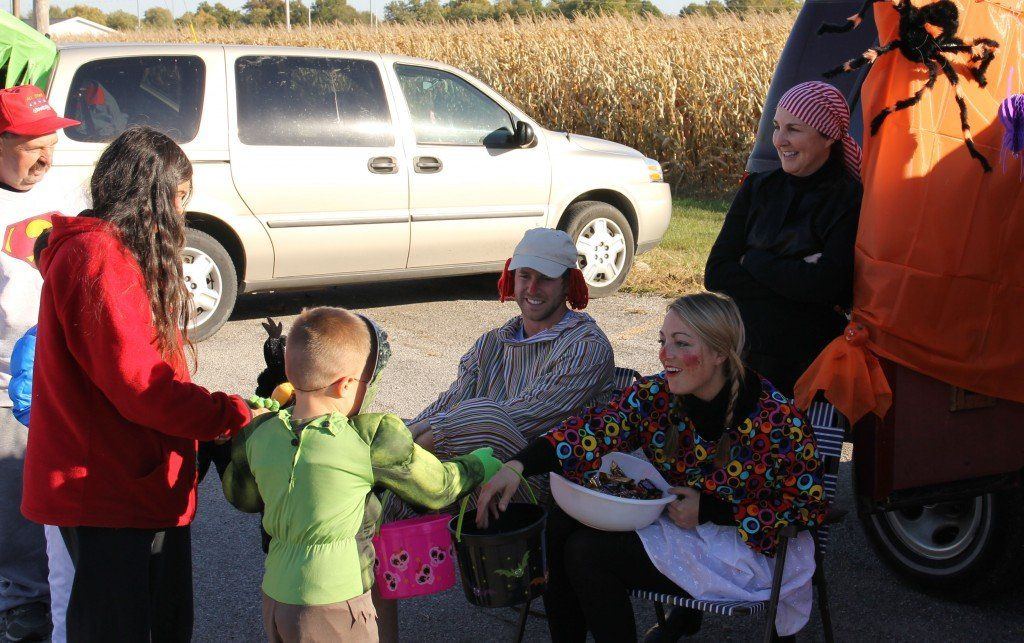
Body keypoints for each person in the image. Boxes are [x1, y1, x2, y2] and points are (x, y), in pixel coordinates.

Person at [477, 292, 829, 643]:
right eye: (663, 341)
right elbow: (593, 428)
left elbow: (806, 509)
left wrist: (711, 510)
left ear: (720, 353)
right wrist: (517, 465)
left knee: (588, 553)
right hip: (682, 529)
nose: (665, 355)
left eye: (680, 343)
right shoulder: (659, 395)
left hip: (749, 548)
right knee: (560, 525)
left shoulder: (776, 421)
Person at [20, 126, 258, 642]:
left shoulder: (101, 249)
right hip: (106, 487)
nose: (181, 212)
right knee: (124, 627)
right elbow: (140, 385)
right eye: (178, 197)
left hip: (118, 481)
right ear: (149, 194)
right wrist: (226, 412)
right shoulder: (99, 257)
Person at [222, 307, 502, 643]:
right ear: (346, 385)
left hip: (276, 598)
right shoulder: (369, 438)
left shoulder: (260, 433)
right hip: (336, 601)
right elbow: (438, 488)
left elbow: (243, 497)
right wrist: (479, 464)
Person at [704, 81, 863, 396]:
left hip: (807, 366)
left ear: (828, 135)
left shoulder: (848, 199)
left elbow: (832, 286)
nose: (779, 140)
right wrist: (796, 274)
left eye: (794, 129)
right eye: (776, 127)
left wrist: (753, 260)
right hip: (742, 354)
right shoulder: (757, 188)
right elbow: (717, 272)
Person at [0, 85, 81, 643]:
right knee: (15, 513)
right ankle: (21, 607)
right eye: (34, 148)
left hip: (60, 379)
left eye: (53, 143)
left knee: (53, 515)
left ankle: (50, 607)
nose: (48, 159)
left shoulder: (64, 187)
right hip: (4, 387)